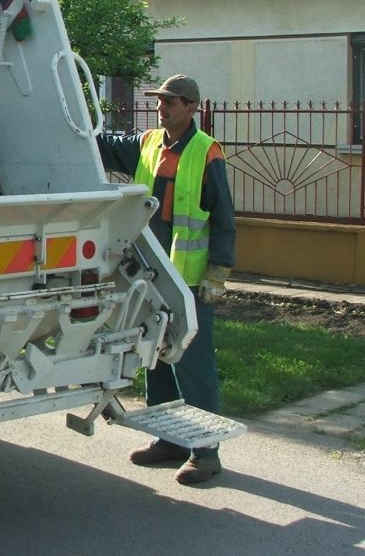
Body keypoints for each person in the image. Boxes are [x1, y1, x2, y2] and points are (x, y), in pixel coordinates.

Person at [98, 74, 236, 485]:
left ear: (192, 107)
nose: (162, 107)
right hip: (149, 274)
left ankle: (205, 452)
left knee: (192, 364)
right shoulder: (148, 143)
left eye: (171, 101)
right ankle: (169, 441)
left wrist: (218, 273)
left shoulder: (206, 152)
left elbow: (224, 218)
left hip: (188, 280)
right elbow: (103, 145)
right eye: (159, 101)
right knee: (155, 358)